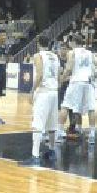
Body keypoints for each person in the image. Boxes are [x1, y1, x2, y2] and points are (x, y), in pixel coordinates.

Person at [19, 36, 62, 166]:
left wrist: (32, 91)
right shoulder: (55, 56)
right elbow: (60, 74)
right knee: (52, 124)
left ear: (38, 44)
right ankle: (52, 151)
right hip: (54, 92)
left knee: (37, 123)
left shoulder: (38, 56)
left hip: (43, 92)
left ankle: (35, 156)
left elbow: (40, 74)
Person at [60, 34, 97, 145]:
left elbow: (68, 68)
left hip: (76, 81)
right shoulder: (90, 53)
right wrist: (95, 76)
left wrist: (61, 79)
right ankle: (92, 134)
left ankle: (59, 131)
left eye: (69, 42)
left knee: (65, 105)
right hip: (88, 82)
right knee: (91, 108)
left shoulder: (72, 52)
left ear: (73, 42)